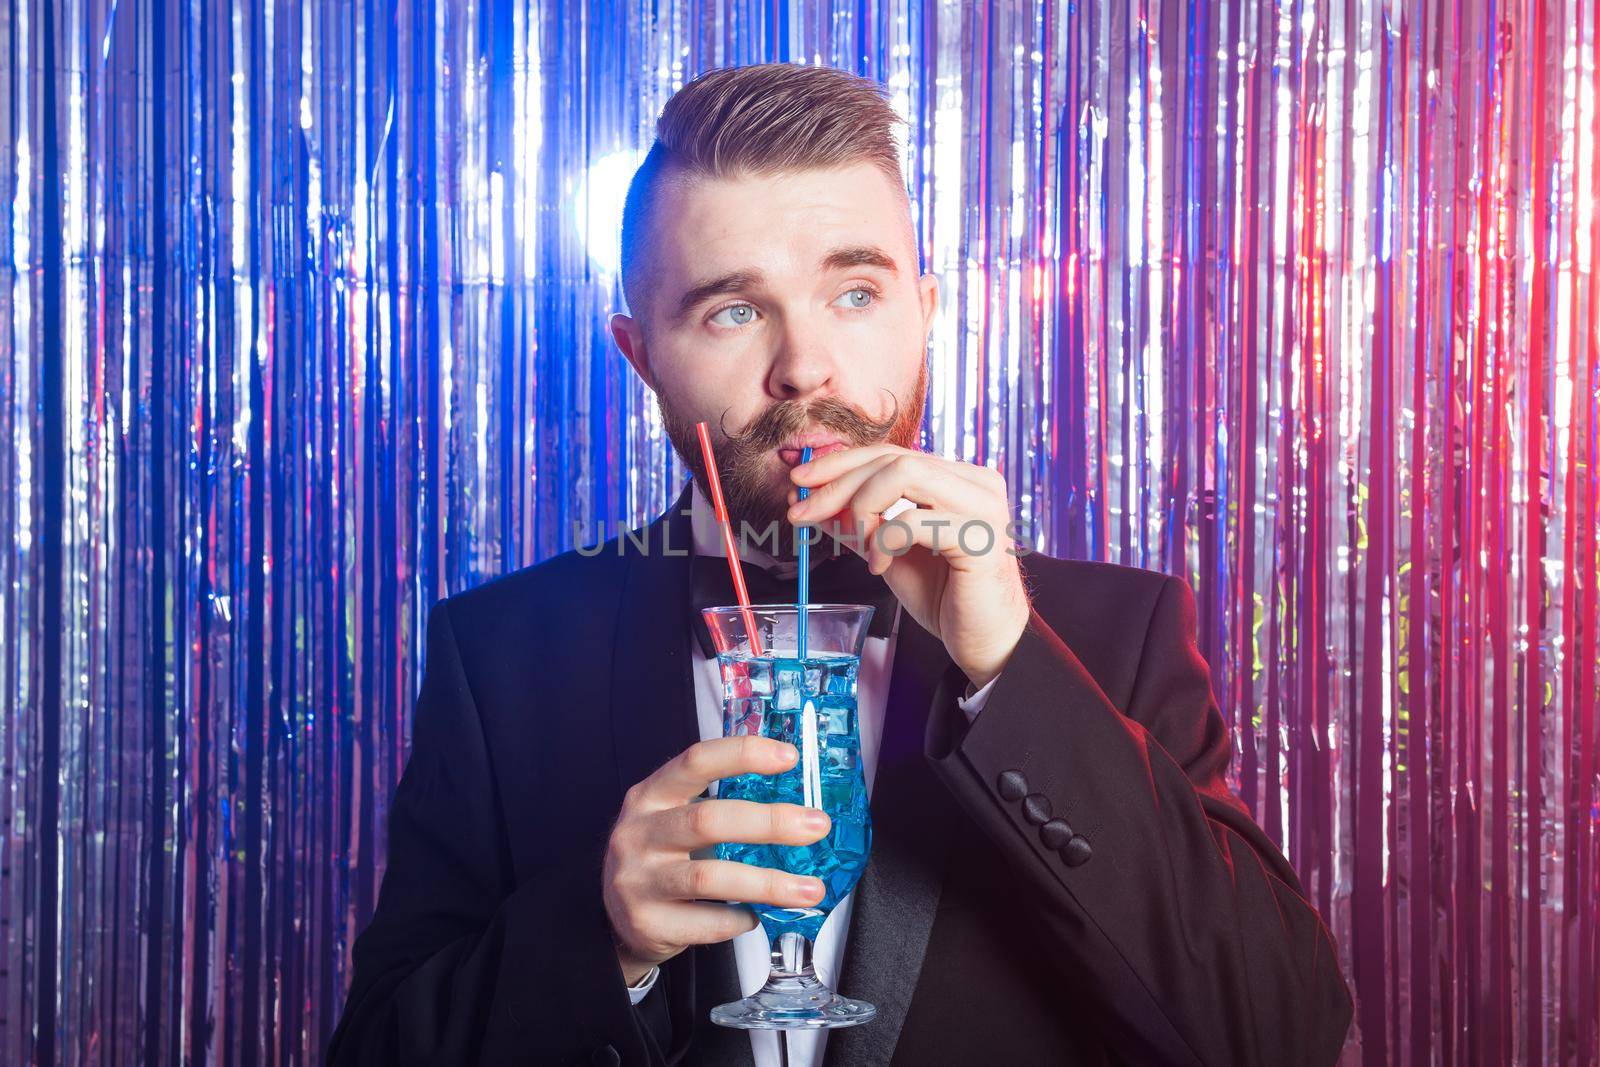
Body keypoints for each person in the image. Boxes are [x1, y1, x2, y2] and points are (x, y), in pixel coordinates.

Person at [326, 62, 1353, 1066]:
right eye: (732, 309)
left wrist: (1010, 667)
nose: (804, 365)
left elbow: (1277, 1032)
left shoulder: (1111, 632)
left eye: (854, 293)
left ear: (925, 312)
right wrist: (602, 935)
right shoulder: (502, 654)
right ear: (640, 358)